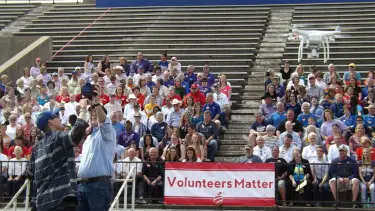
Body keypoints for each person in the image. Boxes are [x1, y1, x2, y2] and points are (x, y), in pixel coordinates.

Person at [27, 100, 89, 210]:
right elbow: (75, 135)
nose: (60, 118)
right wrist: (83, 109)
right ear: (50, 122)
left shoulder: (36, 148)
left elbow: (30, 174)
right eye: (56, 116)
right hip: (61, 201)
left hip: (42, 203)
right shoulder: (57, 137)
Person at [77, 86, 116, 210]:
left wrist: (96, 103)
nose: (93, 114)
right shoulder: (88, 137)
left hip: (99, 185)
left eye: (96, 112)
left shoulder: (107, 133)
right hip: (83, 185)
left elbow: (104, 122)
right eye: (91, 112)